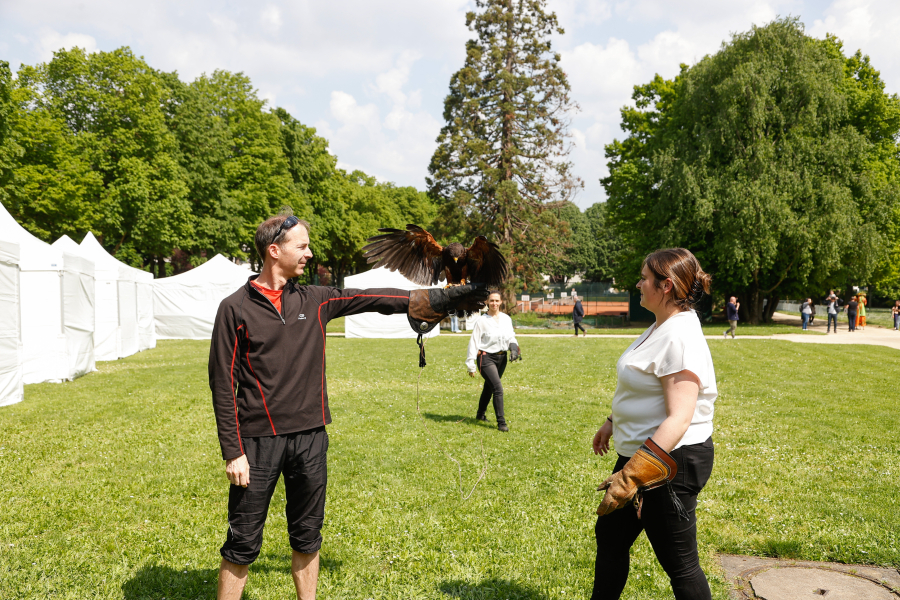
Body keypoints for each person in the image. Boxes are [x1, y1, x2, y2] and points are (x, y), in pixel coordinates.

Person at [208, 214, 487, 600]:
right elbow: (222, 384)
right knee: (242, 543)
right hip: (257, 444)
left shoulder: (314, 299)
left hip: (311, 439)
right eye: (301, 246)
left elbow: (371, 297)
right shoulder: (235, 309)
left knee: (307, 537)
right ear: (274, 251)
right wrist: (233, 451)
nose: (309, 253)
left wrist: (429, 299)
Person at [591, 248, 716, 600]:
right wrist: (613, 420)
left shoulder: (679, 336)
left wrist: (631, 476)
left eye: (644, 278)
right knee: (611, 538)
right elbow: (644, 384)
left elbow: (680, 416)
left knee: (680, 564)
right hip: (642, 455)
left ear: (665, 286)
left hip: (670, 461)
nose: (638, 284)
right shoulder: (662, 325)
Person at [465, 291, 521, 432]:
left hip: (501, 359)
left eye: (497, 300)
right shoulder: (482, 321)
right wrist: (471, 364)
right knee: (498, 388)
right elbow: (474, 342)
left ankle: (480, 414)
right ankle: (501, 423)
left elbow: (510, 337)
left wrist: (514, 348)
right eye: (491, 301)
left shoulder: (506, 319)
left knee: (489, 387)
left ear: (501, 302)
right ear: (487, 302)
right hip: (486, 358)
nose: (494, 303)